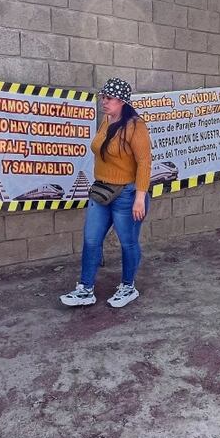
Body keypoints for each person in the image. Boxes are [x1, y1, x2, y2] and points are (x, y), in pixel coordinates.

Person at [60, 78, 151, 309]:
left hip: (127, 194)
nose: (104, 101)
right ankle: (85, 289)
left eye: (108, 98)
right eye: (103, 97)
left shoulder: (135, 126)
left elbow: (144, 163)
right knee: (91, 239)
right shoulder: (106, 119)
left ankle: (128, 286)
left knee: (128, 242)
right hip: (101, 191)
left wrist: (140, 198)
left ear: (121, 101)